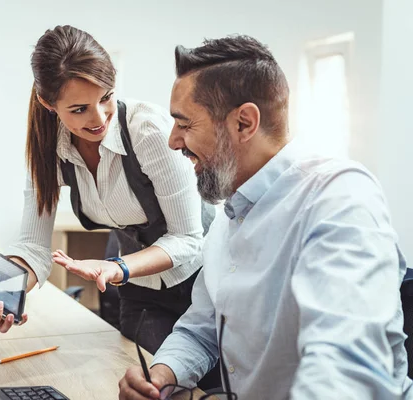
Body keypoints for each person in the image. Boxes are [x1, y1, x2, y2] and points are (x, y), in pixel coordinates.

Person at [119, 35, 412, 400]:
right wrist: (163, 374)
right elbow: (204, 327)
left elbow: (345, 372)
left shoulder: (339, 199)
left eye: (185, 124)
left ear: (244, 123)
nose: (173, 141)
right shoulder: (228, 218)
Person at [0, 25, 212, 356]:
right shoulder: (46, 150)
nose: (99, 118)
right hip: (139, 286)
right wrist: (6, 292)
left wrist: (118, 267)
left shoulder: (148, 131)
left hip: (203, 279)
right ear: (48, 103)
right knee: (140, 374)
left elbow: (188, 238)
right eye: (79, 109)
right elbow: (33, 246)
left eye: (106, 97)